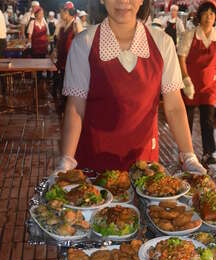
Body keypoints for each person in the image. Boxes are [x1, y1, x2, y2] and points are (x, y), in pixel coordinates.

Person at [57, 0, 205, 174]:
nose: (123, 1)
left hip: (145, 171)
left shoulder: (162, 43)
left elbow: (174, 107)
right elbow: (76, 108)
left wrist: (189, 155)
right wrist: (66, 159)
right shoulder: (84, 43)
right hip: (94, 168)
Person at [178, 0, 216, 166]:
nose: (209, 17)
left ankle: (208, 152)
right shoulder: (190, 35)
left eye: (212, 14)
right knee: (188, 119)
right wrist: (185, 80)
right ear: (199, 16)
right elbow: (181, 58)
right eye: (205, 13)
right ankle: (186, 152)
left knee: (208, 120)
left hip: (209, 86)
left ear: (215, 17)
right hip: (190, 85)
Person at [52, 1, 83, 111]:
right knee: (62, 82)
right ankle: (63, 104)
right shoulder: (62, 24)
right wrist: (55, 50)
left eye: (62, 12)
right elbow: (58, 39)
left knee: (69, 84)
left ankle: (68, 107)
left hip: (71, 61)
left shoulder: (76, 23)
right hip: (62, 59)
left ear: (67, 12)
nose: (60, 14)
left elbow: (81, 42)